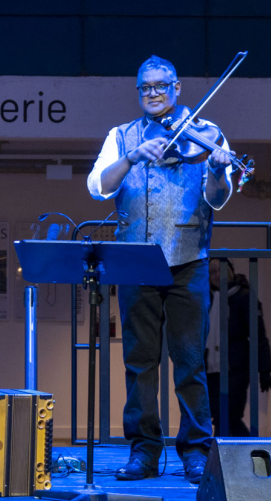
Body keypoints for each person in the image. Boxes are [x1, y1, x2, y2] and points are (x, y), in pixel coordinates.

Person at [87, 55, 234, 483]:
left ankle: (195, 449)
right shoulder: (122, 136)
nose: (153, 93)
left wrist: (219, 171)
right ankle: (144, 451)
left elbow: (218, 198)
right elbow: (98, 186)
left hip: (188, 260)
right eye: (145, 88)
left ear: (177, 88)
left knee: (189, 361)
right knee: (139, 363)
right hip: (135, 262)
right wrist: (131, 157)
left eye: (161, 86)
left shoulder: (207, 133)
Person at [205, 258, 271, 437]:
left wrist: (265, 370)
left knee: (228, 416)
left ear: (232, 271)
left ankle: (226, 455)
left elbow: (258, 334)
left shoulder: (244, 296)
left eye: (222, 270)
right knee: (221, 416)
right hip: (210, 369)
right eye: (212, 271)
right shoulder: (205, 298)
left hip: (236, 367)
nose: (218, 275)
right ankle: (241, 454)